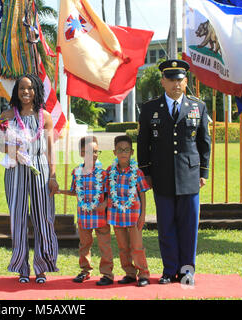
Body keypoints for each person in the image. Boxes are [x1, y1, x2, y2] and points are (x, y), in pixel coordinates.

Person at [137, 59, 211, 285]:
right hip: (162, 175)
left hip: (189, 175)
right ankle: (169, 270)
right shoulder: (150, 108)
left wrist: (203, 172)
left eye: (179, 80)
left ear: (186, 81)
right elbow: (143, 143)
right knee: (166, 225)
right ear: (163, 81)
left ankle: (187, 271)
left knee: (189, 227)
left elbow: (204, 142)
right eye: (170, 80)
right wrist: (146, 173)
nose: (175, 84)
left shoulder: (198, 106)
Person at [0, 74, 59, 284]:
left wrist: (52, 176)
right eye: (22, 88)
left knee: (43, 217)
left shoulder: (46, 116)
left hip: (40, 169)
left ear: (36, 91)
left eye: (30, 88)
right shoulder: (7, 115)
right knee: (18, 217)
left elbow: (51, 149)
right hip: (16, 169)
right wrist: (10, 148)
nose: (26, 92)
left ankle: (41, 267)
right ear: (16, 91)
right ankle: (22, 267)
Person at [57, 136, 114, 286]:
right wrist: (60, 191)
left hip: (100, 217)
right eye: (89, 151)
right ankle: (85, 270)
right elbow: (75, 191)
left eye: (96, 151)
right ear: (81, 153)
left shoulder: (103, 174)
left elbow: (110, 193)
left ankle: (107, 273)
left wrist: (105, 203)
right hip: (83, 216)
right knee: (84, 245)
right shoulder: (77, 172)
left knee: (104, 245)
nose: (93, 155)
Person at [102, 135, 151, 287]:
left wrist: (143, 215)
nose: (123, 153)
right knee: (123, 247)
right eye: (120, 150)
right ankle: (129, 273)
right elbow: (106, 193)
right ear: (114, 152)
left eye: (126, 150)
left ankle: (143, 274)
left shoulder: (137, 172)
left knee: (137, 247)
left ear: (132, 152)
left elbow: (142, 194)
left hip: (133, 216)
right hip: (116, 216)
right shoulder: (109, 172)